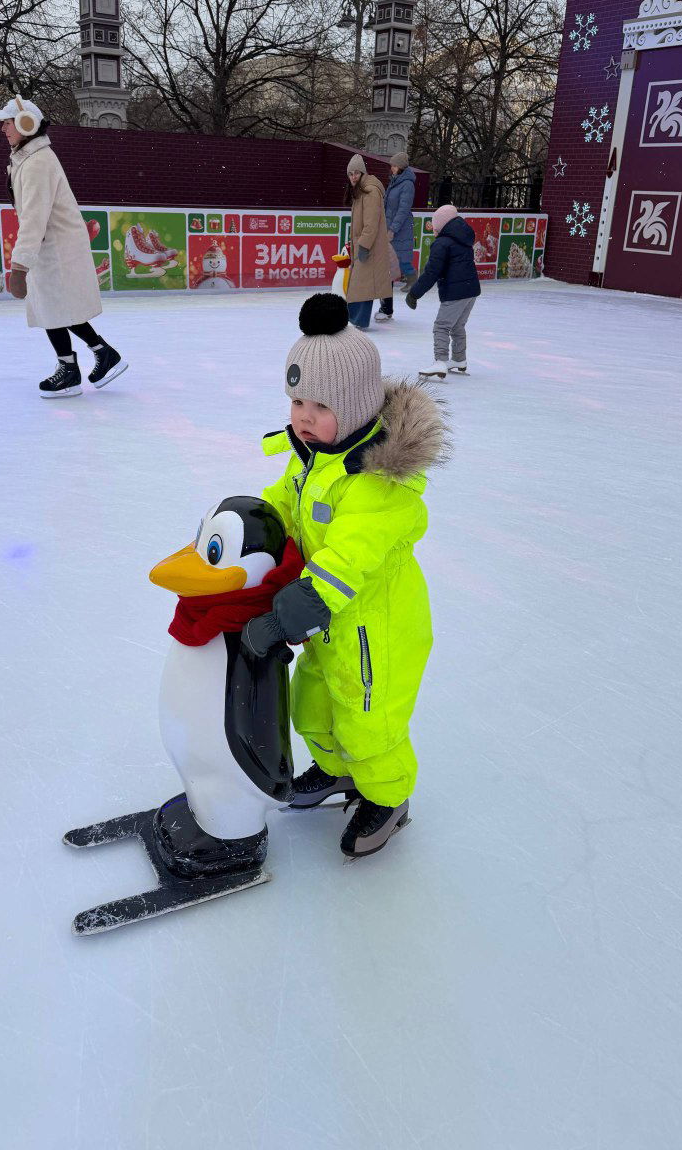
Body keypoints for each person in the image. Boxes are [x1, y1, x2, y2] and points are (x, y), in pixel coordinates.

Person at [241, 293, 445, 858]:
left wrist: (292, 610)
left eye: (320, 405)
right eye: (297, 400)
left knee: (368, 721)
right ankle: (338, 772)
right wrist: (252, 529)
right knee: (313, 706)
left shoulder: (379, 484)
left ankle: (388, 797)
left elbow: (349, 555)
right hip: (330, 626)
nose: (304, 416)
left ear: (355, 407)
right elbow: (285, 504)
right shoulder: (312, 456)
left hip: (374, 629)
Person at [0, 96, 127, 398]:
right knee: (55, 308)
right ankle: (97, 355)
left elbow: (33, 218)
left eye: (7, 122)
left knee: (53, 309)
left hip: (55, 247)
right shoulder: (28, 158)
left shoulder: (37, 163)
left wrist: (19, 266)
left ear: (27, 124)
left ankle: (77, 365)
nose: (2, 128)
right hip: (50, 246)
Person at [406, 204, 481, 379]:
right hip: (471, 290)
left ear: (440, 225)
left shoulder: (442, 243)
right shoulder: (463, 238)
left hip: (455, 292)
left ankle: (440, 361)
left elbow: (431, 272)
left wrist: (414, 293)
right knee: (457, 326)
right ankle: (459, 359)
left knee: (441, 326)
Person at [344, 154, 393, 331]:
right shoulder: (361, 190)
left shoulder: (370, 191)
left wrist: (363, 245)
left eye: (357, 173)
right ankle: (356, 320)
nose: (353, 177)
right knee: (361, 285)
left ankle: (358, 321)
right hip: (364, 245)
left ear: (363, 173)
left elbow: (371, 224)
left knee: (363, 285)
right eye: (350, 174)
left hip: (369, 247)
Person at [376, 151, 417, 322]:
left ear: (400, 166)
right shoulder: (395, 181)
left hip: (399, 231)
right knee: (388, 269)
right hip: (390, 229)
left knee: (391, 268)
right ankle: (386, 308)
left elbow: (403, 210)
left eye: (394, 165)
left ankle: (387, 308)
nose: (391, 168)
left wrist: (392, 230)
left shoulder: (407, 184)